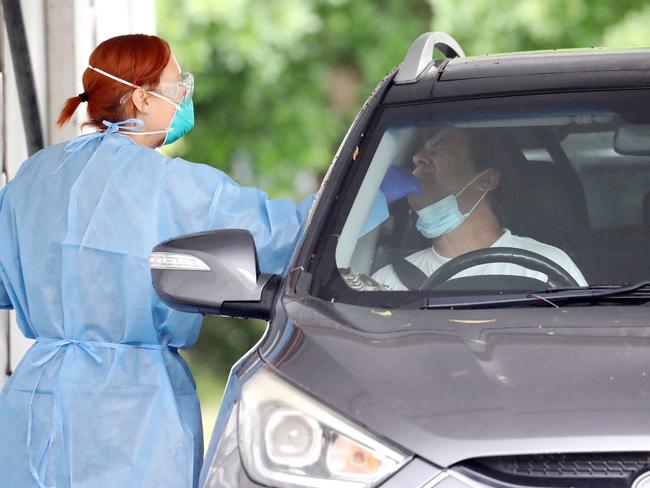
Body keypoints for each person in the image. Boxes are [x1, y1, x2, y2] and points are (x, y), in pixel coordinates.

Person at [0, 34, 313, 488]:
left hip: (37, 400)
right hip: (131, 415)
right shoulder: (172, 185)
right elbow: (282, 236)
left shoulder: (35, 175)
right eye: (177, 83)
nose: (185, 95)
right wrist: (374, 193)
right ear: (143, 97)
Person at [372, 127, 587, 290]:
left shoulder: (547, 270)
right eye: (420, 149)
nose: (417, 157)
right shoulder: (387, 282)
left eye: (437, 148)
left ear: (485, 180)